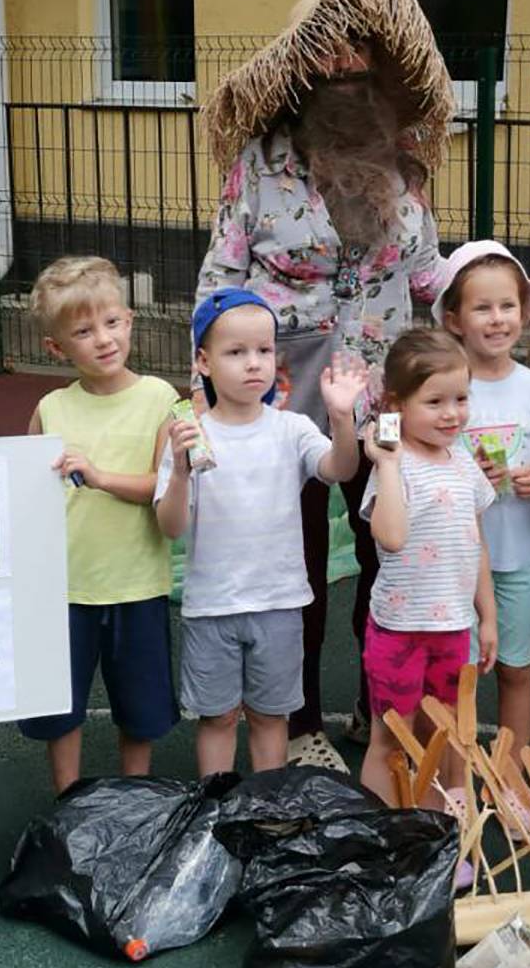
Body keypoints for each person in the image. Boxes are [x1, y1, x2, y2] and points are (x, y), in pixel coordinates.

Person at [198, 0, 459, 772]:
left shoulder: (405, 170)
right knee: (296, 561)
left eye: (359, 56)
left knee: (393, 553)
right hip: (286, 395)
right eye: (329, 57)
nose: (346, 68)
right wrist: (208, 392)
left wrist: (504, 287)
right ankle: (300, 721)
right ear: (300, 70)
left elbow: (429, 277)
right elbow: (220, 276)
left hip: (385, 395)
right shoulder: (260, 165)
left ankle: (378, 707)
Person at [156, 290, 365, 775]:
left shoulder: (291, 428)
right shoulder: (189, 435)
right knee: (219, 718)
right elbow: (171, 527)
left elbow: (339, 467)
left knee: (272, 718)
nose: (254, 364)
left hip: (279, 602)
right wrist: (182, 472)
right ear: (203, 362)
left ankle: (266, 813)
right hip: (213, 607)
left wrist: (340, 418)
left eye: (264, 351)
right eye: (236, 353)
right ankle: (218, 811)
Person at [19, 256, 178, 793]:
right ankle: (67, 798)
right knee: (60, 706)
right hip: (66, 587)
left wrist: (101, 475)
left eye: (111, 323)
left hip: (136, 583)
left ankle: (135, 796)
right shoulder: (49, 407)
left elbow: (162, 485)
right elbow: (28, 494)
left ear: (129, 319)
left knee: (140, 703)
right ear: (57, 348)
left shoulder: (160, 398)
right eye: (83, 331)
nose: (103, 339)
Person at [356, 329, 498, 820]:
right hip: (399, 630)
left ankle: (439, 833)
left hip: (453, 631)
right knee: (391, 737)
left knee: (447, 736)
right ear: (396, 404)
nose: (452, 413)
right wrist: (388, 462)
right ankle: (384, 832)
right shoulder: (394, 468)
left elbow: (475, 544)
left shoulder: (462, 462)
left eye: (461, 398)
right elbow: (390, 536)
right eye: (435, 401)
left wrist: (488, 616)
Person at [433, 240, 530, 775]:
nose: (497, 319)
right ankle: (455, 778)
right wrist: (464, 477)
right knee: (459, 674)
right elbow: (422, 465)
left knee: (514, 668)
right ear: (456, 319)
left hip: (522, 552)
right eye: (482, 308)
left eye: (507, 305)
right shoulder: (443, 389)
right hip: (456, 562)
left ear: (524, 312)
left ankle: (512, 776)